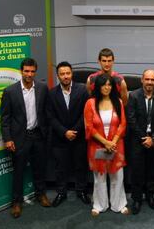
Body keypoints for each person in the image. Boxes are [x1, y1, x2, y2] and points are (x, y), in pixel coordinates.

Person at [1, 58, 51, 218]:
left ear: (35, 72)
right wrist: (8, 139)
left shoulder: (43, 88)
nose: (29, 74)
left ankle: (40, 194)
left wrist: (47, 133)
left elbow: (47, 112)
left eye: (32, 71)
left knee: (40, 168)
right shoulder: (10, 91)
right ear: (21, 71)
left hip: (38, 135)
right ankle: (16, 202)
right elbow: (5, 119)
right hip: (19, 138)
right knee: (19, 171)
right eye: (26, 71)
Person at [46, 61, 90, 207]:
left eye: (68, 73)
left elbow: (86, 114)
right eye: (62, 74)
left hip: (79, 136)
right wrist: (64, 132)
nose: (65, 76)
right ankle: (61, 192)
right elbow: (50, 116)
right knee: (60, 167)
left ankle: (81, 190)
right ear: (58, 76)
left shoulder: (82, 90)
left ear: (72, 74)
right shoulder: (51, 93)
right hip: (60, 137)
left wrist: (74, 131)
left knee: (80, 165)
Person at [84, 74, 129, 216]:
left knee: (117, 176)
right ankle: (99, 205)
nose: (107, 87)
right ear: (98, 86)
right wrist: (105, 142)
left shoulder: (118, 102)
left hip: (116, 144)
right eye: (104, 85)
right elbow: (89, 127)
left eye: (109, 84)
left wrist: (113, 141)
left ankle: (119, 204)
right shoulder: (90, 103)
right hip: (97, 145)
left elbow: (122, 124)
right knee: (99, 177)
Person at [127, 69, 154, 215]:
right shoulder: (133, 96)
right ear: (142, 80)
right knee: (137, 171)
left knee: (151, 170)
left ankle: (150, 196)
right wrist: (143, 137)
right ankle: (137, 199)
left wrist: (153, 138)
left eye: (152, 80)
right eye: (147, 79)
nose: (150, 82)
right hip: (138, 140)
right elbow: (131, 120)